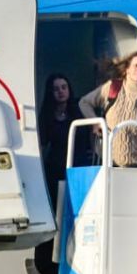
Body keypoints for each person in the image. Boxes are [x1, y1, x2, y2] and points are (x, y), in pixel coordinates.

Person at [78, 51, 137, 168]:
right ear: (127, 69)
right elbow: (84, 102)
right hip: (108, 164)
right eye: (136, 66)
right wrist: (96, 122)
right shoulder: (112, 88)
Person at [38, 73, 87, 209]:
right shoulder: (46, 115)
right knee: (58, 205)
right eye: (56, 89)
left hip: (79, 165)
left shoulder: (80, 109)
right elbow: (42, 144)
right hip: (56, 168)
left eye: (64, 87)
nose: (61, 91)